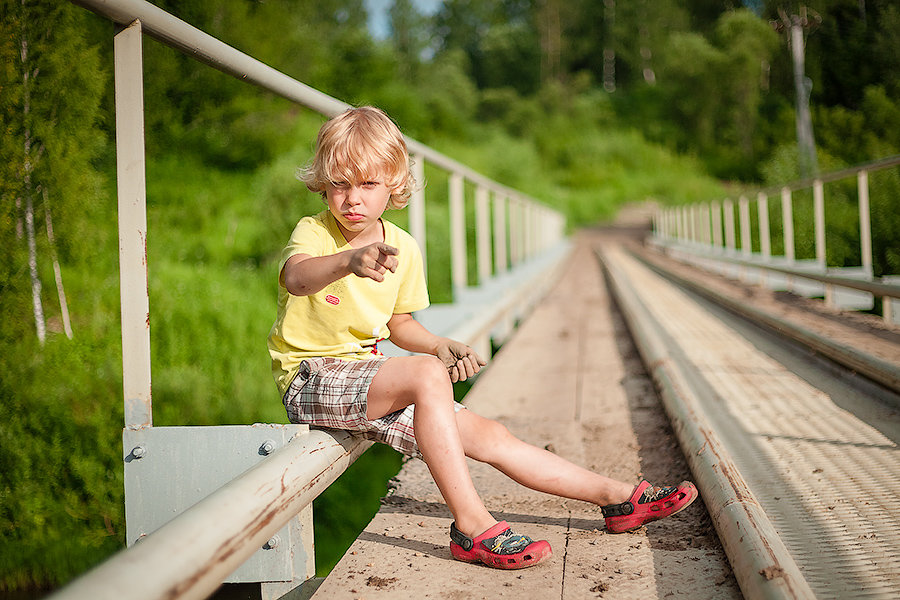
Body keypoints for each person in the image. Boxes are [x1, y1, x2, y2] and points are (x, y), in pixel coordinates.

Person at [267, 106, 698, 570]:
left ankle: (616, 498)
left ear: (393, 185)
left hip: (368, 378)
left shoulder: (403, 247)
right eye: (339, 184)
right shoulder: (316, 233)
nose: (352, 198)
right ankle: (472, 526)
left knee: (492, 435)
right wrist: (348, 262)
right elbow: (297, 277)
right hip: (311, 379)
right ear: (323, 184)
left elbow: (399, 325)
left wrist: (437, 345)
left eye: (367, 184)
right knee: (429, 378)